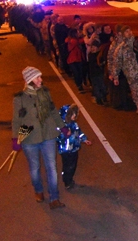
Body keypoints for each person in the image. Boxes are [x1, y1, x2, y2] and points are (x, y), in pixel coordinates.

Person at [13, 66, 65, 209]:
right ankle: (38, 190)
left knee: (52, 167)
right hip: (29, 138)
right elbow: (16, 120)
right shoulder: (19, 98)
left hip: (48, 135)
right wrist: (15, 138)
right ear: (30, 80)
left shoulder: (45, 93)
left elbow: (53, 111)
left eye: (40, 77)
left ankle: (54, 198)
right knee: (34, 168)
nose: (41, 80)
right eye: (37, 77)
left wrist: (62, 126)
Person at [57, 104, 91, 189]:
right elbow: (58, 137)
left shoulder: (74, 124)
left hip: (74, 149)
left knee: (73, 165)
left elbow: (79, 132)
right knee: (67, 166)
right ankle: (67, 181)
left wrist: (84, 139)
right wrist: (64, 135)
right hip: (65, 150)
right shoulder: (61, 127)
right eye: (72, 114)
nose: (74, 116)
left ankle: (69, 179)